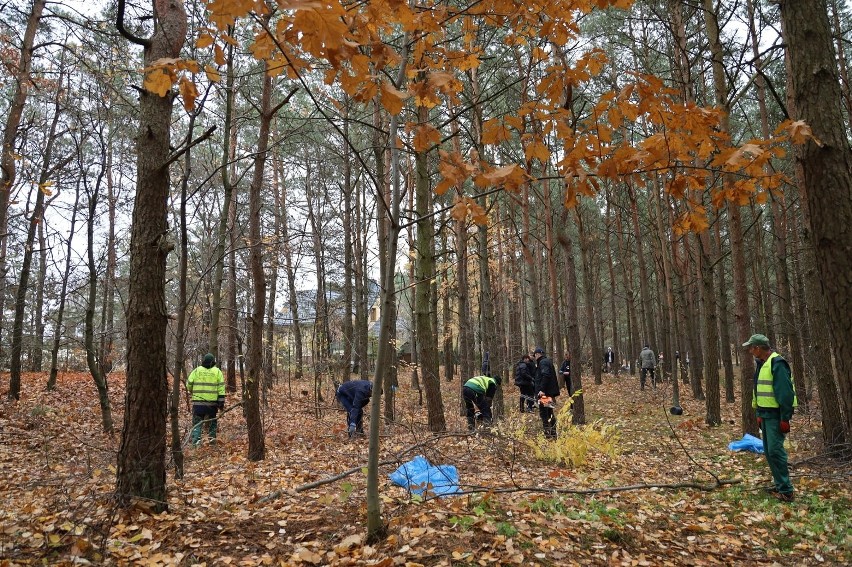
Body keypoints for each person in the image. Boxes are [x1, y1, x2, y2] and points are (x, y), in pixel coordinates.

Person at [743, 334, 797, 502]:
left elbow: (785, 393)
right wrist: (759, 413)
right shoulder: (762, 364)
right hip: (765, 415)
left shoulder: (777, 364)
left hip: (776, 416)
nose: (750, 351)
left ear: (758, 348)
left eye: (752, 348)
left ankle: (786, 490)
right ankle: (780, 484)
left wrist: (785, 418)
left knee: (775, 450)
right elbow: (760, 391)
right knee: (769, 451)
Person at [187, 353, 226, 447]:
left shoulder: (196, 370)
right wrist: (221, 402)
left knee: (197, 423)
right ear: (213, 362)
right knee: (213, 422)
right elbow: (221, 388)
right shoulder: (217, 372)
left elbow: (189, 384)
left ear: (203, 361)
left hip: (198, 403)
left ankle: (196, 443)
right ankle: (212, 441)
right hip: (212, 404)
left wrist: (192, 391)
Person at [533, 347, 560, 439]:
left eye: (535, 355)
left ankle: (548, 434)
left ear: (538, 354)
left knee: (545, 413)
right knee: (549, 412)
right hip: (548, 393)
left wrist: (542, 390)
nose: (535, 357)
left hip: (545, 394)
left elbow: (546, 375)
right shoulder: (546, 361)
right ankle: (553, 433)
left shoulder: (543, 362)